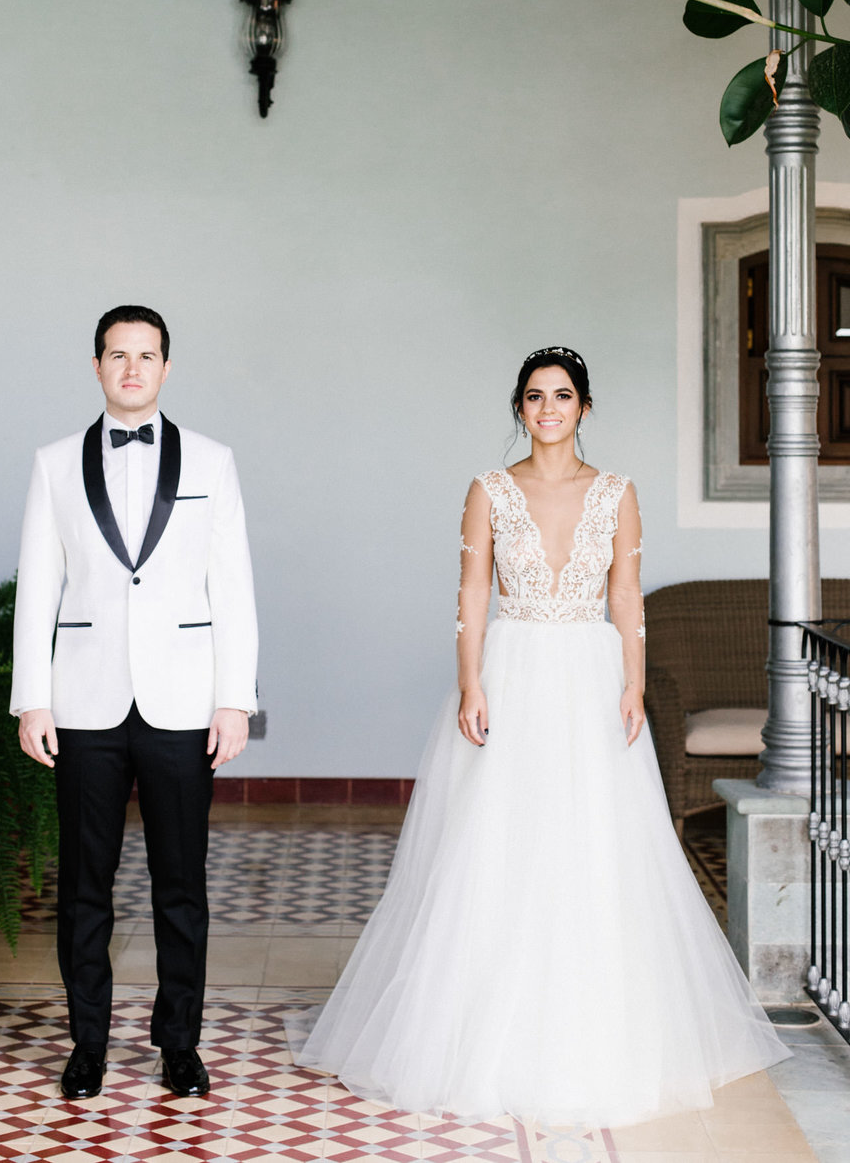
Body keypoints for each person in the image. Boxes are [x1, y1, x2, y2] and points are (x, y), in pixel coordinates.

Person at [287, 346, 788, 1127]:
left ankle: (594, 1024)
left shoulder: (616, 492)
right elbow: (472, 590)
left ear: (585, 407)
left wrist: (633, 682)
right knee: (496, 842)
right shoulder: (489, 490)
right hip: (513, 669)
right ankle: (481, 1023)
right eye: (533, 397)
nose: (547, 409)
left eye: (561, 396)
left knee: (592, 840)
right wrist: (471, 681)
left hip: (588, 674)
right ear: (519, 409)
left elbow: (625, 594)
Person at [10, 305, 258, 1102]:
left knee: (181, 884)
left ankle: (178, 1043)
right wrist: (32, 699)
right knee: (84, 886)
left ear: (165, 367)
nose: (131, 369)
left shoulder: (214, 462)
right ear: (96, 366)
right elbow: (37, 586)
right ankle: (87, 1044)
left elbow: (235, 587)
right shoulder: (53, 464)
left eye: (146, 356)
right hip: (82, 701)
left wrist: (235, 700)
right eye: (117, 355)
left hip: (185, 703)